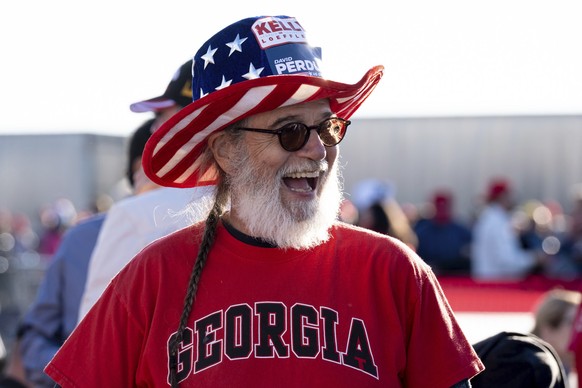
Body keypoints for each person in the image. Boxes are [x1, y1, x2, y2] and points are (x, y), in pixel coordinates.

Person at [46, 15, 484, 387]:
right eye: (289, 131)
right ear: (225, 152)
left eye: (327, 129)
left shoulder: (394, 272)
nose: (316, 151)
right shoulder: (152, 278)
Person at [17, 118, 157, 387]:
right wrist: (78, 370)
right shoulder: (82, 239)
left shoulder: (208, 235)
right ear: (142, 169)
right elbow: (35, 335)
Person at [77, 60, 213, 322]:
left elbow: (95, 326)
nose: (153, 129)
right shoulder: (261, 207)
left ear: (188, 122)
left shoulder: (135, 213)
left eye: (161, 117)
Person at [471, 178, 548, 280]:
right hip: (497, 284)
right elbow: (507, 261)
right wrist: (535, 258)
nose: (513, 198)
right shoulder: (498, 223)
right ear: (503, 196)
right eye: (510, 195)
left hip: (488, 282)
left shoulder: (488, 218)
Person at [414, 190, 472, 276]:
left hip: (456, 277)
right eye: (439, 207)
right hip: (431, 276)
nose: (442, 210)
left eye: (444, 207)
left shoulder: (461, 230)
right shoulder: (423, 232)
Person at [531, 288, 581, 380]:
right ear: (548, 330)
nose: (579, 330)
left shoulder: (568, 373)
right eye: (575, 322)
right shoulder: (527, 374)